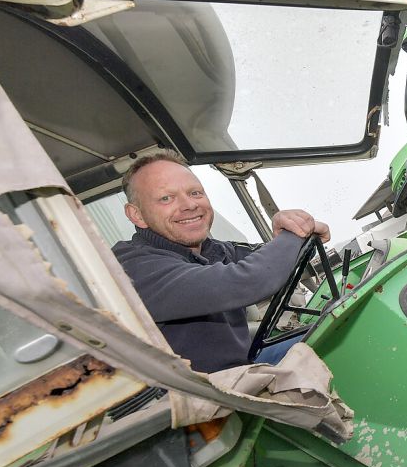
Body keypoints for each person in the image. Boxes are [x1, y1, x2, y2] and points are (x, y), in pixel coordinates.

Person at [112, 151, 329, 373]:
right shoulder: (129, 267)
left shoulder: (210, 249)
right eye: (166, 198)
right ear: (136, 215)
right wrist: (294, 235)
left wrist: (290, 228)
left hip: (242, 367)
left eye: (195, 193)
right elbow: (249, 280)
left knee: (331, 329)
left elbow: (273, 259)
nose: (189, 205)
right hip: (203, 397)